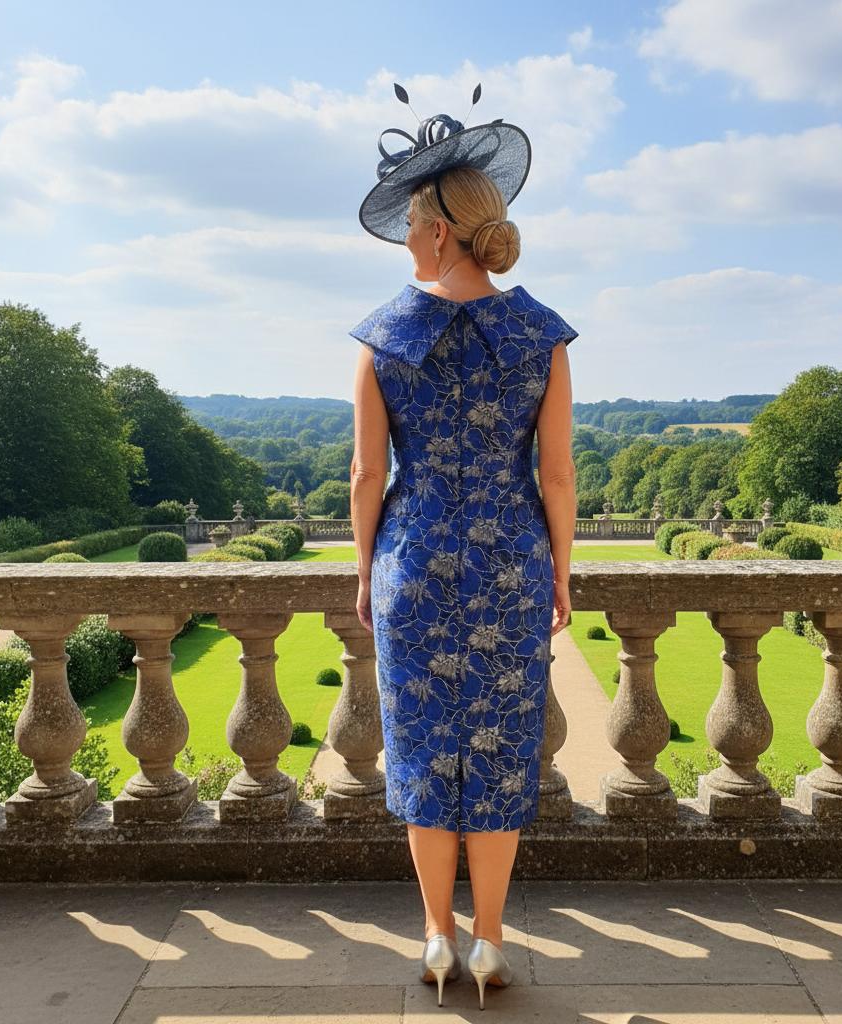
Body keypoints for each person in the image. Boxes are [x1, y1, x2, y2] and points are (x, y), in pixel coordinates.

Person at [348, 82, 577, 1010]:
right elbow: (556, 476)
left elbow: (367, 475)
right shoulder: (540, 334)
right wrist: (562, 574)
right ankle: (489, 942)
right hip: (511, 565)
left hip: (412, 563)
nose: (406, 237)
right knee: (496, 755)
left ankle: (436, 936)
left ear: (440, 231)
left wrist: (363, 574)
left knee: (422, 755)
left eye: (411, 222)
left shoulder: (384, 335)